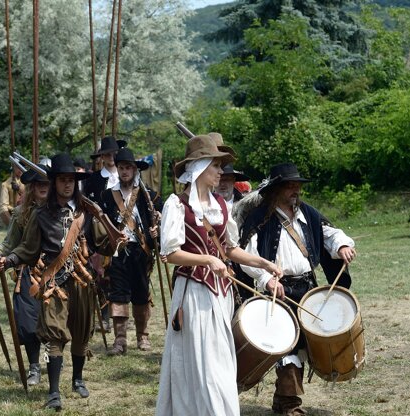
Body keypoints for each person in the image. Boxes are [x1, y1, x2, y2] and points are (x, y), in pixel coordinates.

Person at [155, 135, 283, 416]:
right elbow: (170, 253)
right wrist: (207, 259)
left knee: (220, 363)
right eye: (215, 166)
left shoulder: (222, 207)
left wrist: (264, 263)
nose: (220, 173)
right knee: (201, 364)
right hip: (193, 295)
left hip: (221, 295)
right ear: (200, 168)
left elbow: (231, 250)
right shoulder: (177, 205)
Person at [237, 163, 356, 416]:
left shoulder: (307, 214)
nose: (296, 190)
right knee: (286, 345)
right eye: (290, 185)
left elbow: (330, 233)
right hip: (277, 288)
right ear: (276, 189)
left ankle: (283, 400)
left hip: (307, 287)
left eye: (297, 185)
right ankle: (290, 404)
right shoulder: (260, 218)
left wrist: (343, 245)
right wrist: (266, 278)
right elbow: (246, 255)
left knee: (302, 344)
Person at [0, 154, 96, 411]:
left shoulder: (87, 212)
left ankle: (78, 379)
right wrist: (9, 260)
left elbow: (101, 243)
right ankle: (53, 392)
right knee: (53, 334)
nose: (68, 185)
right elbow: (27, 249)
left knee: (81, 331)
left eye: (71, 180)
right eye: (62, 180)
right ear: (54, 183)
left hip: (82, 281)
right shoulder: (41, 215)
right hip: (54, 283)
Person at [0, 164, 50, 386]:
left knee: (55, 323)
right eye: (38, 184)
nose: (42, 187)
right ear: (31, 187)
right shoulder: (20, 213)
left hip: (57, 273)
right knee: (28, 324)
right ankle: (34, 366)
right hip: (28, 274)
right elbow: (8, 246)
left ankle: (54, 357)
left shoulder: (62, 210)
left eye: (46, 183)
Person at [100, 147, 160, 355]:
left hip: (141, 251)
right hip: (117, 251)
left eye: (128, 167)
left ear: (135, 170)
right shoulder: (108, 196)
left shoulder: (148, 195)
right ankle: (120, 341)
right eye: (121, 167)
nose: (124, 171)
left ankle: (143, 337)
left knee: (142, 295)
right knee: (118, 295)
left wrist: (156, 230)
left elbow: (160, 221)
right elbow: (100, 224)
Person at [84, 136, 126, 331]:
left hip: (125, 230)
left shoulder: (128, 176)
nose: (111, 157)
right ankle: (104, 315)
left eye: (114, 154)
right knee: (102, 276)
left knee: (123, 274)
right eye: (107, 154)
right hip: (101, 232)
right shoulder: (93, 180)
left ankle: (123, 315)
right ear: (101, 156)